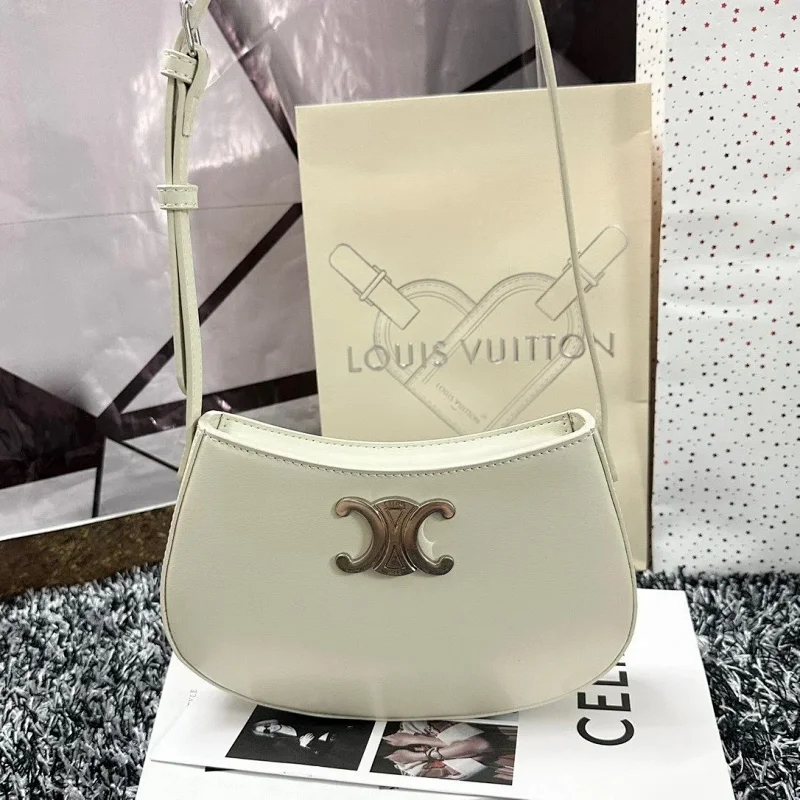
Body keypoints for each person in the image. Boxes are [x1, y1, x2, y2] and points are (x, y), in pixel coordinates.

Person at [380, 720, 513, 781]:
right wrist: (417, 756)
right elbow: (481, 746)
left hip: (507, 731)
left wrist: (416, 739)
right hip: (505, 765)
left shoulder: (413, 725)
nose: (419, 749)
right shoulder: (413, 771)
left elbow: (479, 746)